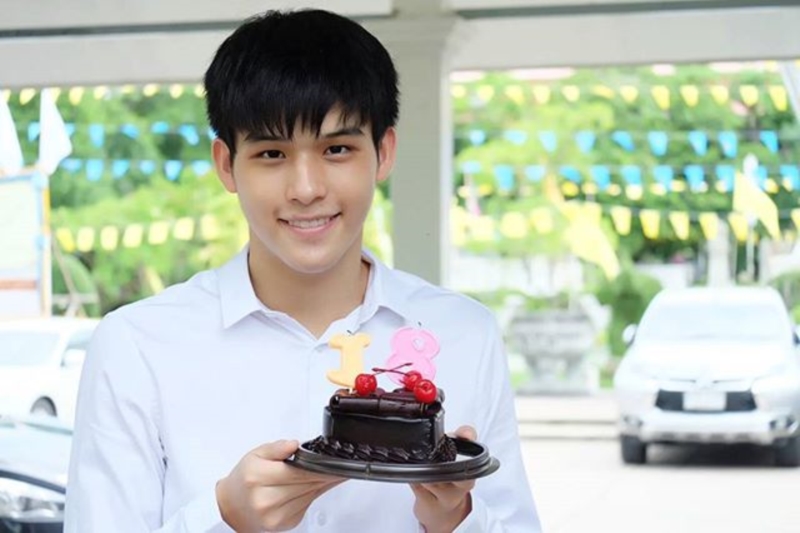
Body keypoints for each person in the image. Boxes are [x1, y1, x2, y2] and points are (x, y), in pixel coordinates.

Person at [64, 8, 542, 533]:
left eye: (337, 149)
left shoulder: (465, 334)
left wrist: (457, 519)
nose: (307, 188)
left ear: (383, 153)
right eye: (272, 153)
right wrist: (223, 518)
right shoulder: (135, 346)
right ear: (226, 164)